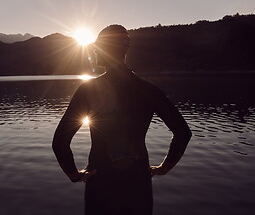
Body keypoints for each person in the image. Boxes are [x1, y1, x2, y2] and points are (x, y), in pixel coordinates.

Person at [52, 25, 192, 215]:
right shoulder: (148, 90)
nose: (93, 51)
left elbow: (60, 141)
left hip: (100, 181)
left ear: (102, 50)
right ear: (125, 49)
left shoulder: (88, 90)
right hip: (138, 181)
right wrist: (163, 168)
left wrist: (74, 175)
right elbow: (183, 133)